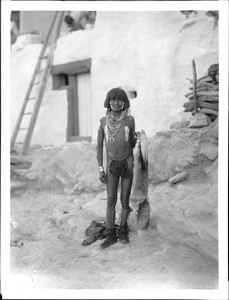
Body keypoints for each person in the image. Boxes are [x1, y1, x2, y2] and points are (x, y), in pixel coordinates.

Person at [96, 87, 136, 249]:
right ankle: (111, 233)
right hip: (111, 164)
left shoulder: (130, 120)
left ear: (124, 102)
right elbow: (99, 147)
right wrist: (100, 168)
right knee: (111, 199)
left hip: (127, 162)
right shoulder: (103, 122)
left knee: (125, 198)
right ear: (108, 102)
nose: (116, 103)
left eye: (120, 100)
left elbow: (132, 143)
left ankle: (123, 231)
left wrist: (136, 140)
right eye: (113, 99)